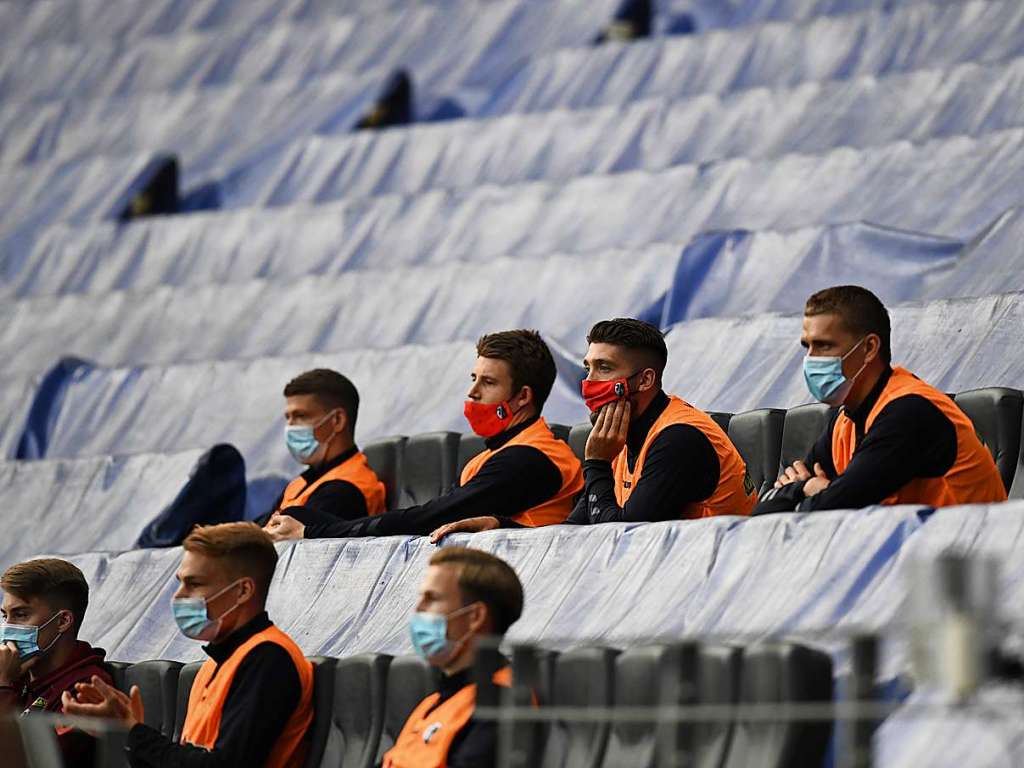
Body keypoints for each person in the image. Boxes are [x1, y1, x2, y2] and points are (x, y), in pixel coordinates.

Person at [430, 318, 755, 540]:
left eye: (604, 368)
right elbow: (573, 534)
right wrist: (501, 526)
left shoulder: (679, 439)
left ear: (645, 380)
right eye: (588, 368)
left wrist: (597, 463)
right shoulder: (621, 438)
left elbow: (621, 539)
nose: (588, 383)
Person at [265, 330, 583, 542]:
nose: (472, 392)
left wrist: (314, 533)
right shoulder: (492, 455)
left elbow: (433, 517)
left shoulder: (529, 458)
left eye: (487, 383)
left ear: (523, 397)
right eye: (473, 378)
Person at [62, 522, 314, 768]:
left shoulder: (268, 659)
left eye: (194, 584)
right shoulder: (215, 664)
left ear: (243, 591)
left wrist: (133, 733)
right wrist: (122, 731)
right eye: (180, 582)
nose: (178, 595)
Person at [755, 285, 1006, 514]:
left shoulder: (909, 412)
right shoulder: (844, 421)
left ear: (869, 348)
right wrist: (807, 487)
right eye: (807, 347)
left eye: (824, 346)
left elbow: (833, 510)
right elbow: (763, 512)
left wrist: (810, 490)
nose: (810, 359)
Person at [382, 547, 524, 767]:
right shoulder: (432, 704)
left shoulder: (501, 707)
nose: (419, 608)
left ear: (475, 617)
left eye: (432, 598)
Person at [0, 558, 113, 765]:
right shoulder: (18, 677)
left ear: (62, 621)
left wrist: (3, 686)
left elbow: (24, 761)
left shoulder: (86, 690)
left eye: (20, 615)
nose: (7, 627)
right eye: (4, 616)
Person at [257, 368, 386, 527]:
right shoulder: (302, 482)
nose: (289, 426)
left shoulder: (344, 490)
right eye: (288, 417)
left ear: (337, 420)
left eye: (301, 416)